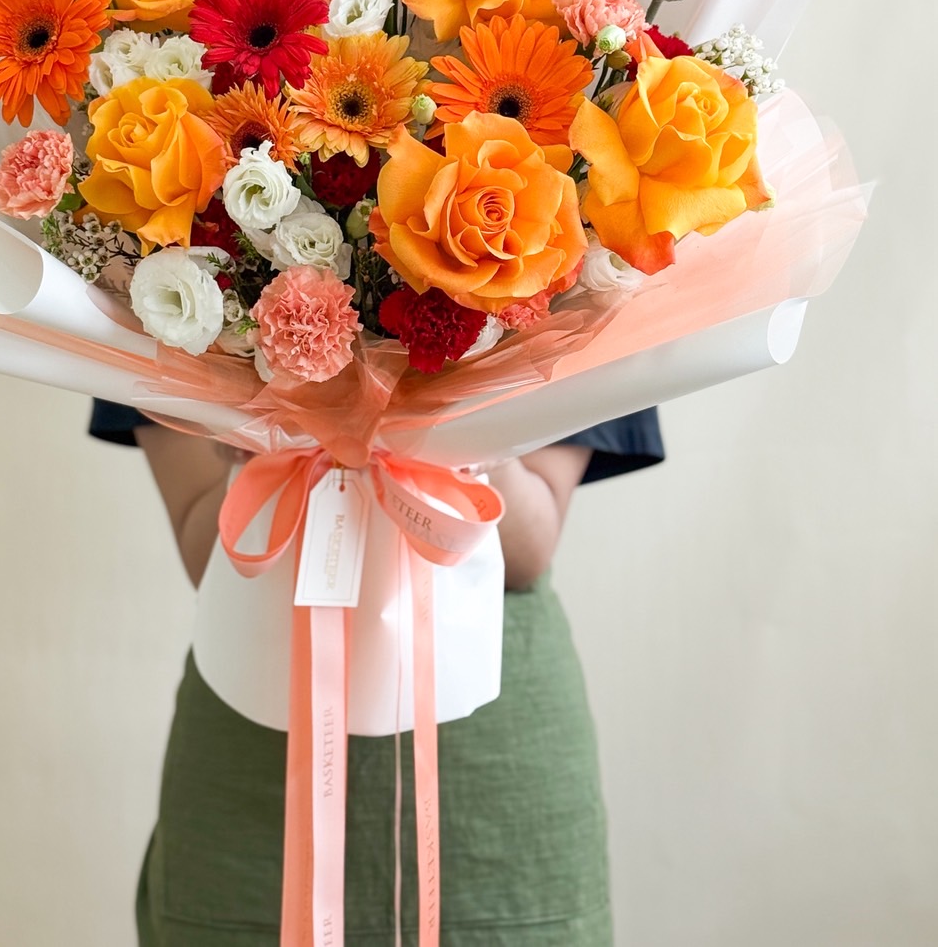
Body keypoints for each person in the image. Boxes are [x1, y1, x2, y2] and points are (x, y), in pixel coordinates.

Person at [90, 400, 664, 946]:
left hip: (491, 757)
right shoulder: (158, 323)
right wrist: (286, 436)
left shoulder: (580, 321)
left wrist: (443, 421)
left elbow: (528, 546)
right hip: (253, 748)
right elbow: (205, 546)